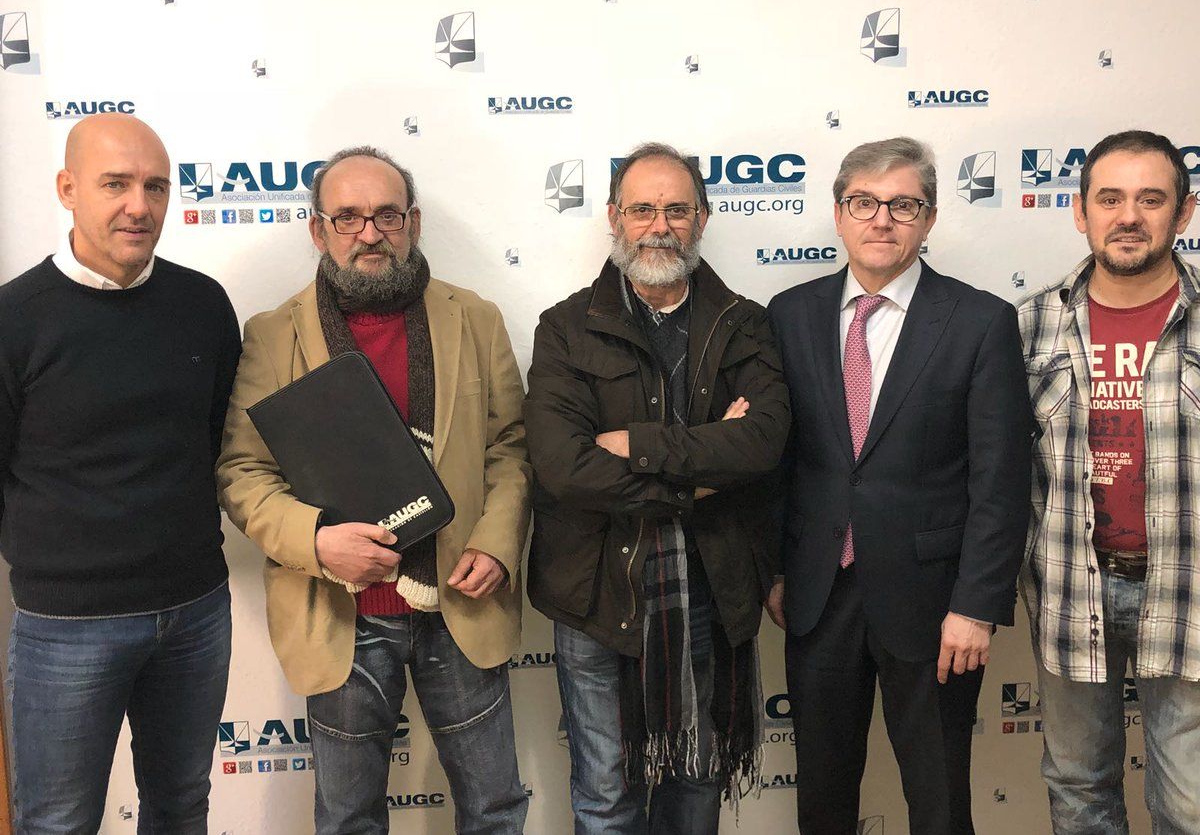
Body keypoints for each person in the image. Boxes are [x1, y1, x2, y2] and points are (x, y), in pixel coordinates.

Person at [217, 146, 531, 834]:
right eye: (349, 217)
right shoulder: (273, 337)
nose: (369, 232)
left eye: (386, 214)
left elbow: (510, 446)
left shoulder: (474, 319)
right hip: (340, 612)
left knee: (495, 809)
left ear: (412, 222)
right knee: (348, 817)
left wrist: (497, 541)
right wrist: (319, 543)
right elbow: (244, 473)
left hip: (461, 600)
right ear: (318, 230)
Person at [524, 142, 791, 834]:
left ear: (702, 218)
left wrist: (639, 446)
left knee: (695, 784)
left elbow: (760, 444)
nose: (659, 226)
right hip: (596, 593)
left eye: (677, 209)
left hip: (709, 587)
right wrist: (698, 482)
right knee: (606, 799)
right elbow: (564, 468)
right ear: (614, 218)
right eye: (642, 209)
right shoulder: (565, 328)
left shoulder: (744, 323)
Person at [767, 136, 1032, 834]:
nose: (882, 219)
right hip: (818, 594)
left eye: (904, 204)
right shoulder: (788, 315)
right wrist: (774, 569)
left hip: (935, 604)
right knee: (822, 798)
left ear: (930, 219)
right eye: (865, 203)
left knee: (938, 801)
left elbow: (1000, 481)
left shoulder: (980, 322)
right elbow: (779, 462)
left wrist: (976, 605)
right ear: (839, 213)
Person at [0, 113, 240, 833]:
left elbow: (210, 441)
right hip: (66, 626)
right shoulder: (15, 319)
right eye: (116, 184)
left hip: (196, 611)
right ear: (68, 189)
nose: (139, 204)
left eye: (155, 186)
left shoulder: (203, 305)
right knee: (59, 822)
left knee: (180, 807)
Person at [1018, 130, 1200, 834]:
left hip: (1187, 591)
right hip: (1070, 588)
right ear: (1080, 212)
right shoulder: (1031, 325)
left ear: (1182, 214)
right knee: (1079, 789)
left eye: (1151, 199)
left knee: (1187, 803)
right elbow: (1005, 469)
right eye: (1111, 198)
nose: (1130, 216)